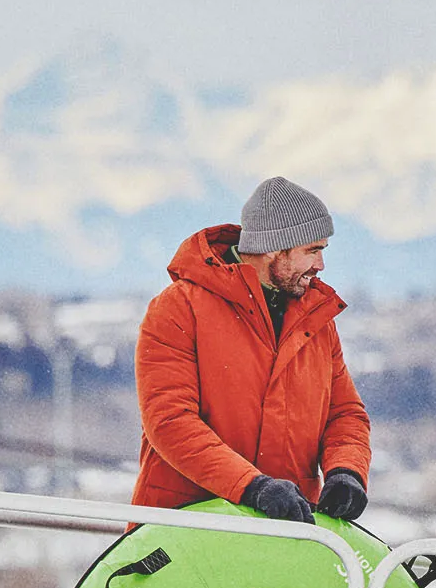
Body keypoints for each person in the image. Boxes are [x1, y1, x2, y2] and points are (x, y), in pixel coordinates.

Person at [132, 176, 371, 524]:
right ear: (276, 248)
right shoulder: (179, 308)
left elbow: (344, 413)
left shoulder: (316, 318)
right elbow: (170, 422)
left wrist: (347, 471)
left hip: (286, 531)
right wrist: (251, 487)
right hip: (186, 530)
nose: (320, 265)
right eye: (312, 250)